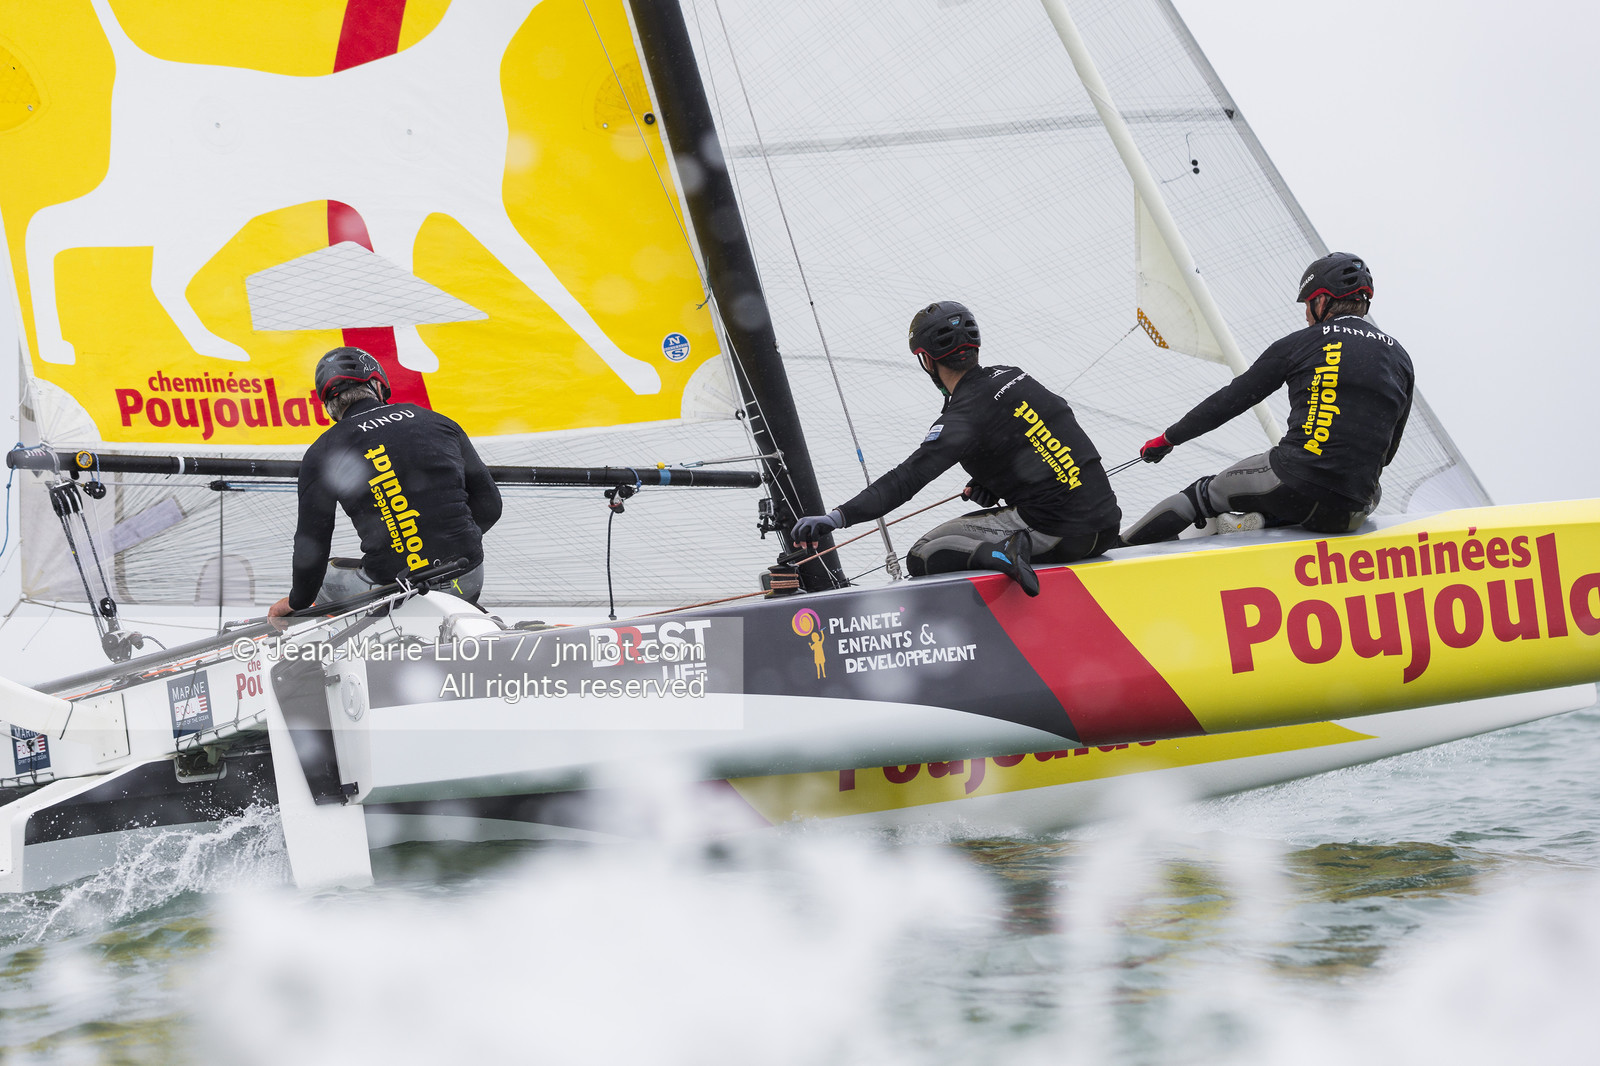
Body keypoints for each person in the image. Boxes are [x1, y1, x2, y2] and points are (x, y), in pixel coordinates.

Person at [791, 301, 1121, 597]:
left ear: (927, 360)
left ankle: (1004, 551)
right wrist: (996, 481)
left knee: (923, 553)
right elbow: (1047, 433)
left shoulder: (962, 417)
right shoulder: (1014, 376)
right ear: (975, 346)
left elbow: (906, 479)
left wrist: (836, 518)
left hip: (1062, 534)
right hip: (1106, 526)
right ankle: (1010, 546)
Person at [1122, 253, 1413, 545]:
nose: (1306, 315)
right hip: (1352, 508)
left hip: (1293, 484)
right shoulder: (1400, 358)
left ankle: (1116, 550)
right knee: (1342, 493)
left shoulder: (1301, 343)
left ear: (1322, 301)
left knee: (1201, 495)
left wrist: (1168, 439)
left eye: (1307, 304)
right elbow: (1387, 454)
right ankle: (1264, 522)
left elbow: (1231, 400)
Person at [268, 347, 502, 620]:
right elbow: (490, 507)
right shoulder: (436, 421)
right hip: (467, 577)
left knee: (326, 576)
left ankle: (336, 640)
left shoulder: (322, 452)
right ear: (378, 386)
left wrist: (297, 601)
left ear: (330, 406)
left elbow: (311, 546)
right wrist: (445, 544)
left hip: (394, 591)